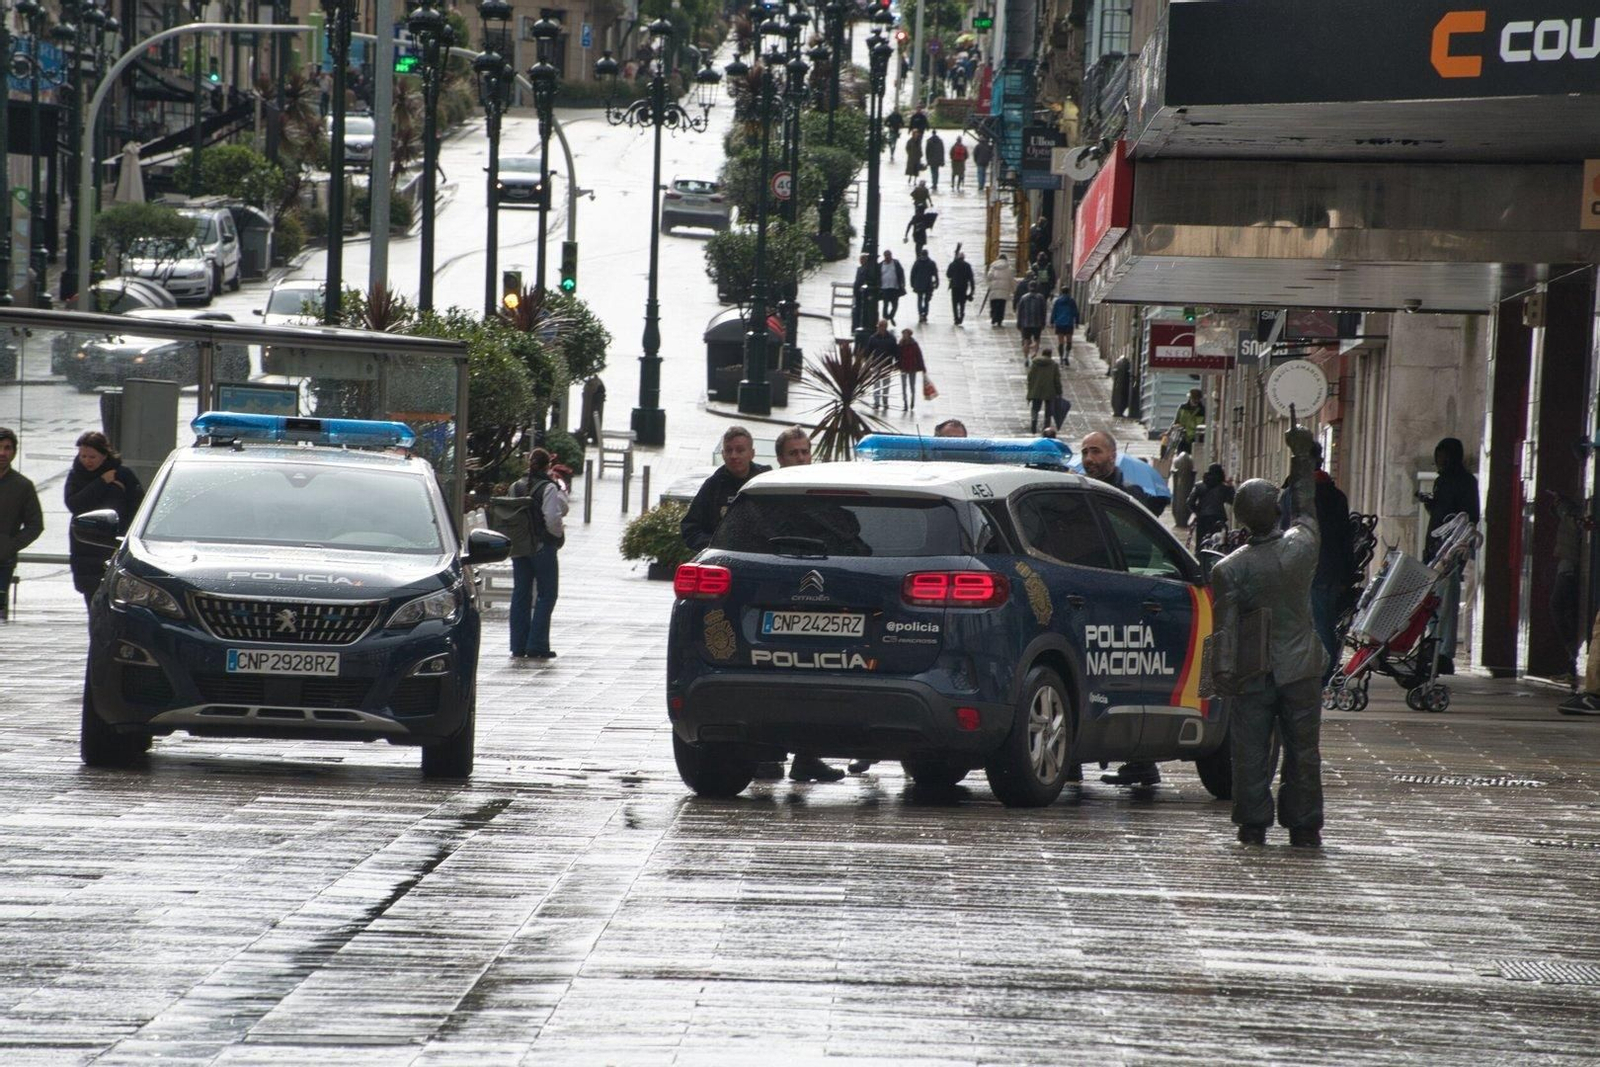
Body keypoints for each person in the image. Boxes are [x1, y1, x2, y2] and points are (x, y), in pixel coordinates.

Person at [1211, 427, 1327, 848]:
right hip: (1301, 667)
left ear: (1240, 518)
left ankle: (1253, 823)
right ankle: (1305, 824)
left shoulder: (1229, 569)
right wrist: (1301, 459)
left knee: (1250, 752)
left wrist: (1221, 674)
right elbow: (1308, 510)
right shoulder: (1302, 547)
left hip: (1253, 670)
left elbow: (1222, 629)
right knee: (1304, 751)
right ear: (1275, 510)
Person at [757, 427, 848, 783]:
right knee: (769, 683)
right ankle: (766, 756)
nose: (800, 458)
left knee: (815, 684)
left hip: (817, 607)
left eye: (804, 452)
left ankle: (807, 757)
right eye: (793, 453)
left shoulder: (820, 494)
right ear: (780, 458)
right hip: (773, 602)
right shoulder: (768, 498)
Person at [1080, 429, 1163, 790]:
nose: (1089, 458)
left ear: (1113, 456)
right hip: (1085, 603)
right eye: (1084, 452)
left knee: (1130, 677)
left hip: (1124, 603)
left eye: (1095, 451)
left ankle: (1141, 761)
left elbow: (1142, 550)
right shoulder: (1074, 495)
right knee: (1085, 680)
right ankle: (1071, 759)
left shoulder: (1129, 498)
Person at [1278, 445, 1354, 684]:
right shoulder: (1336, 496)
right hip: (1330, 570)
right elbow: (1346, 539)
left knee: (1309, 624)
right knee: (1325, 623)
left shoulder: (1292, 495)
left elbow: (1283, 534)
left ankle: (1320, 676)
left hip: (1304, 569)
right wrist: (1347, 575)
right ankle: (1323, 672)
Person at [1419, 437, 1480, 674]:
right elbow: (1440, 511)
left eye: (1444, 456)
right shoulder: (1442, 480)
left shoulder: (1465, 481)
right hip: (1435, 547)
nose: (1440, 461)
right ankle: (1432, 644)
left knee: (1447, 601)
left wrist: (1460, 544)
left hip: (1451, 548)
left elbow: (1469, 515)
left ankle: (1443, 651)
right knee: (1432, 601)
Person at [64, 431, 144, 608]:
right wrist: (101, 482)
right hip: (84, 545)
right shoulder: (76, 475)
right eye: (83, 456)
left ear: (104, 454)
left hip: (113, 544)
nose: (87, 461)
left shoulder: (123, 475)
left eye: (92, 456)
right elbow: (74, 504)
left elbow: (138, 506)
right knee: (92, 601)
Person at [507, 448, 570, 660]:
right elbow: (552, 518)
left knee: (521, 594)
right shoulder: (548, 487)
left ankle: (518, 644)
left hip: (519, 546)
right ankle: (537, 644)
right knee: (547, 594)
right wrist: (557, 536)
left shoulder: (516, 486)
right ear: (547, 466)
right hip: (542, 546)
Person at [682, 427, 771, 553]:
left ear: (752, 454)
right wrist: (714, 547)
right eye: (729, 450)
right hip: (722, 558)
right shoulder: (713, 486)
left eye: (740, 450)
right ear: (723, 454)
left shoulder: (765, 481)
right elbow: (690, 528)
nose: (733, 456)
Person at [0, 428, 44, 621]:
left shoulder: (22, 486)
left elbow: (35, 524)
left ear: (14, 452)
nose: (2, 453)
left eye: (7, 448)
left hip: (3, 561)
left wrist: (10, 545)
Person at [1546, 491, 1586, 687]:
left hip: (1571, 566)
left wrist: (1562, 505)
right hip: (1568, 564)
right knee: (1567, 612)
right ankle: (1573, 661)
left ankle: (1574, 659)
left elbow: (1573, 520)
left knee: (1560, 608)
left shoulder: (1575, 512)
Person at [1188, 463, 1234, 551]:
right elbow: (1232, 500)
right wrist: (1231, 487)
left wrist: (1197, 511)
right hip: (1218, 518)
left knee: (1200, 543)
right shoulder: (1223, 488)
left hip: (1202, 519)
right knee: (1217, 543)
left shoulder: (1199, 486)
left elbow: (1190, 502)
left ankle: (1199, 560)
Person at [861, 319, 900, 413]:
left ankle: (885, 401)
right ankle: (877, 402)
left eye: (882, 326)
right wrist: (866, 362)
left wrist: (897, 363)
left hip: (887, 365)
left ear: (885, 327)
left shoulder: (891, 338)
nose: (880, 328)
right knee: (876, 384)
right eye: (879, 326)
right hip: (876, 365)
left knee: (886, 385)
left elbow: (896, 352)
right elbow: (868, 351)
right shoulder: (873, 338)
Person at [1026, 349, 1063, 435]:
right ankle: (1046, 427)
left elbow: (1030, 377)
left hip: (1036, 390)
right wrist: (1059, 391)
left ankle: (1033, 425)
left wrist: (1031, 388)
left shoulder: (1035, 363)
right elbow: (1056, 380)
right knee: (1048, 410)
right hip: (1050, 391)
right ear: (1050, 355)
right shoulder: (1053, 365)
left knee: (1035, 408)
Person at [1015, 282, 1048, 360]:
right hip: (1037, 323)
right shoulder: (1041, 298)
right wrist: (1043, 322)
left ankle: (1026, 357)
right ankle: (1034, 353)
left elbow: (1019, 312)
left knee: (1026, 341)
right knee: (1037, 340)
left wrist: (1019, 323)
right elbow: (1044, 311)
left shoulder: (1024, 297)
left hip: (1026, 323)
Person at [897, 328, 926, 412]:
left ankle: (912, 401)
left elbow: (919, 356)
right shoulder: (900, 344)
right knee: (904, 386)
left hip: (912, 368)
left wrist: (922, 367)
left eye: (906, 334)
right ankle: (905, 403)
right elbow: (898, 356)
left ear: (909, 335)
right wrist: (897, 365)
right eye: (903, 334)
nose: (904, 336)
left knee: (912, 386)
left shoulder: (914, 344)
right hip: (903, 368)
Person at [945, 246, 975, 325]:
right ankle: (961, 316)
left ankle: (956, 318)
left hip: (954, 286)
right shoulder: (967, 266)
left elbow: (948, 275)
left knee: (954, 303)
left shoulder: (953, 264)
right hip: (963, 287)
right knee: (962, 303)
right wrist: (972, 289)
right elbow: (971, 278)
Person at [1050, 286, 1080, 363]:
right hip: (1069, 323)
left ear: (1061, 292)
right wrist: (1077, 322)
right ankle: (1066, 356)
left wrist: (1052, 321)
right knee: (1069, 341)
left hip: (1059, 323)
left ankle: (1060, 358)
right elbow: (1075, 312)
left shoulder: (1057, 301)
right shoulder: (1071, 301)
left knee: (1061, 342)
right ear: (1069, 292)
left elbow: (1054, 311)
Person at [984, 254, 1016, 326]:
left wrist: (990, 283)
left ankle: (993, 317)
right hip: (1004, 290)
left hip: (994, 289)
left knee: (993, 304)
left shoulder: (993, 267)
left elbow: (989, 276)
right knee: (1001, 305)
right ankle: (999, 320)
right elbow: (1012, 280)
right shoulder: (1009, 268)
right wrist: (1014, 290)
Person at [909, 248, 939, 323]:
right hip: (928, 284)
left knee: (921, 299)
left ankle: (921, 314)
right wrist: (937, 282)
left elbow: (912, 274)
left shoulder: (917, 262)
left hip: (920, 284)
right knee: (926, 300)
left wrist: (912, 283)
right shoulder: (931, 263)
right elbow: (935, 274)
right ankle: (924, 314)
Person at [1174, 388, 1206, 454]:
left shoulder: (1203, 411)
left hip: (1197, 439)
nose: (1196, 401)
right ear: (1190, 398)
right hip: (1183, 438)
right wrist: (1170, 431)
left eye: (1198, 399)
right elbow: (1176, 422)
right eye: (1194, 399)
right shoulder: (1182, 407)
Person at [878, 250, 907, 324]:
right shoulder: (881, 265)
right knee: (885, 304)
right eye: (886, 255)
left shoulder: (896, 263)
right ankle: (885, 318)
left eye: (889, 255)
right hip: (885, 288)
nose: (888, 257)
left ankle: (891, 316)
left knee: (895, 305)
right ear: (884, 256)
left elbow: (901, 273)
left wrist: (902, 283)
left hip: (894, 288)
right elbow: (878, 276)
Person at [578, 376, 606, 444]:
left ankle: (588, 432)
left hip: (591, 398)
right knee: (591, 417)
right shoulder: (596, 383)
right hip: (594, 398)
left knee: (587, 416)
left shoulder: (593, 384)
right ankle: (593, 434)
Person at [852, 252, 875, 331]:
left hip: (863, 294)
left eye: (863, 259)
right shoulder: (859, 269)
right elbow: (857, 280)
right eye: (860, 259)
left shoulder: (868, 269)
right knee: (856, 310)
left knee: (862, 311)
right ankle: (856, 325)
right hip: (857, 293)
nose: (861, 261)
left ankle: (861, 325)